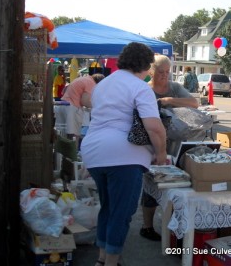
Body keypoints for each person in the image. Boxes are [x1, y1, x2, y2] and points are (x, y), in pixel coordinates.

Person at [80, 42, 167, 266]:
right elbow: (154, 127)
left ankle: (102, 258)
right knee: (122, 212)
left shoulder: (103, 84)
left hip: (93, 151)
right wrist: (161, 153)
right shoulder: (139, 87)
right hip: (123, 155)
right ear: (146, 65)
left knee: (108, 207)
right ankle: (110, 262)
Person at [139, 55, 198, 241]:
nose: (164, 75)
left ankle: (173, 226)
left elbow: (194, 103)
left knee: (175, 183)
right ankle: (147, 226)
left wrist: (169, 100)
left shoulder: (174, 88)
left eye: (167, 72)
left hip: (174, 142)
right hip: (150, 143)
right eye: (160, 72)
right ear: (151, 71)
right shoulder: (145, 90)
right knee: (151, 184)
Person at [62, 73, 105, 141]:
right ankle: (73, 151)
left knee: (66, 135)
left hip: (65, 104)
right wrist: (98, 107)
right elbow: (84, 101)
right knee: (74, 135)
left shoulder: (85, 79)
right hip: (73, 107)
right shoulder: (91, 83)